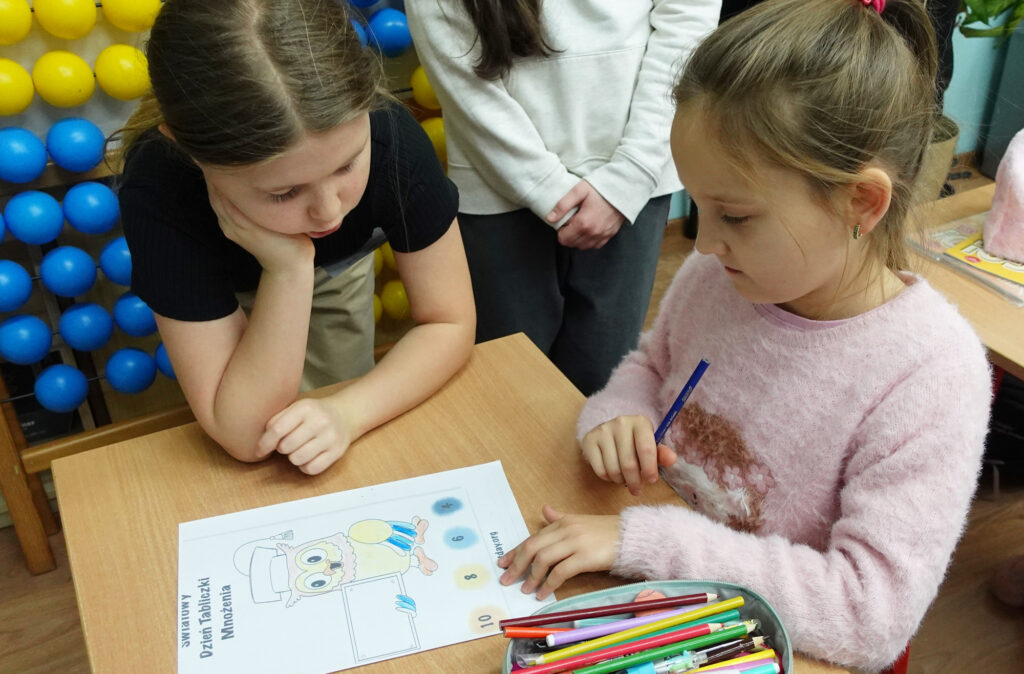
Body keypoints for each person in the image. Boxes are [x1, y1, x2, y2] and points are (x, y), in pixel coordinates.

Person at [495, 0, 992, 669]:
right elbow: (650, 366)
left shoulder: (932, 375)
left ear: (861, 202)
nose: (703, 242)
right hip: (654, 596)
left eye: (733, 215)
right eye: (696, 206)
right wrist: (618, 415)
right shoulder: (719, 276)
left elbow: (868, 615)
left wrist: (648, 544)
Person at [115, 0, 474, 475]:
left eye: (347, 165)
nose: (329, 211)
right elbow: (243, 434)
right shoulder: (158, 187)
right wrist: (287, 269)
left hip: (335, 270)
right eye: (284, 192)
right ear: (191, 153)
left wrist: (349, 412)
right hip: (229, 283)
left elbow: (450, 322)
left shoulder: (391, 135)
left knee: (325, 427)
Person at [406, 0, 721, 395]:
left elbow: (687, 19)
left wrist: (631, 172)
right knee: (511, 382)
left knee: (602, 378)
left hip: (635, 172)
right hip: (495, 180)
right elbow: (457, 67)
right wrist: (547, 187)